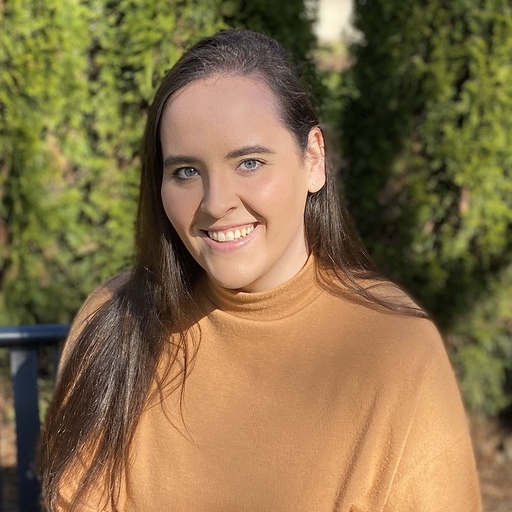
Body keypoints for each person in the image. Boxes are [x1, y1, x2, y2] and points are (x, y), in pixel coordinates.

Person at [39, 29, 482, 511]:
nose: (215, 203)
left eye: (249, 163)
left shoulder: (397, 349)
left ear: (313, 159)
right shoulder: (116, 319)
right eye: (186, 171)